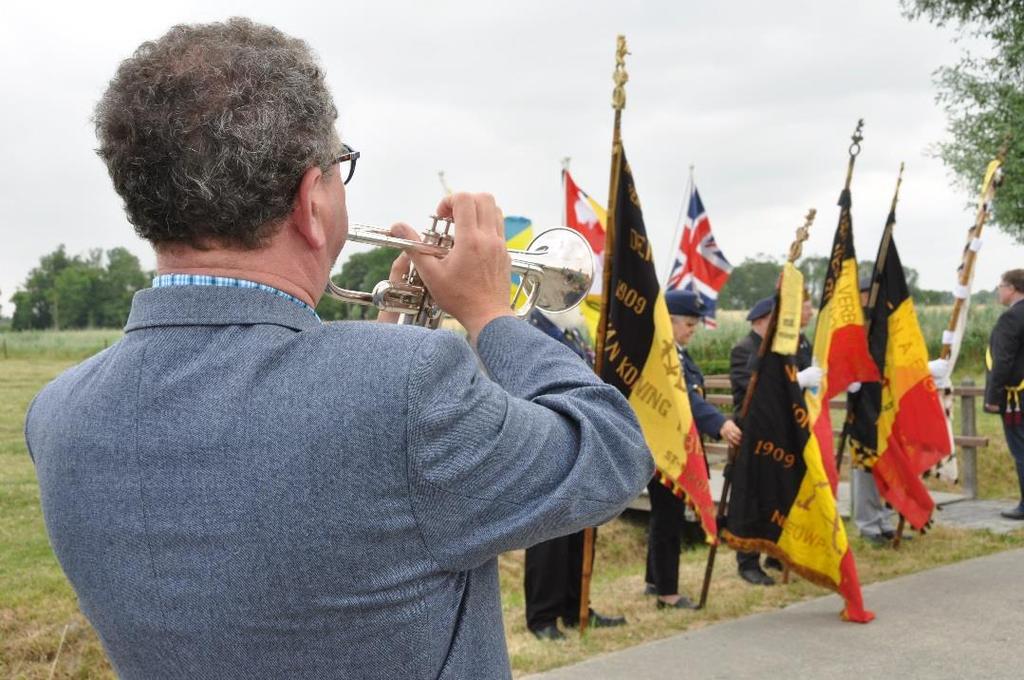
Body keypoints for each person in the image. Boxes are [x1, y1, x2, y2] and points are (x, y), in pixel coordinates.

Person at [24, 19, 654, 680]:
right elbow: (610, 452)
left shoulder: (57, 415)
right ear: (311, 203)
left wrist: (385, 341)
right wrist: (491, 312)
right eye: (339, 168)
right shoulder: (407, 387)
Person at [521, 311, 626, 640]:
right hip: (547, 441)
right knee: (549, 537)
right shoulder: (531, 332)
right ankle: (543, 617)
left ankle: (575, 606)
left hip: (580, 442)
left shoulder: (572, 334)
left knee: (579, 529)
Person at [644, 290, 742, 608]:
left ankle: (654, 579)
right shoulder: (662, 357)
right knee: (668, 519)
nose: (693, 329)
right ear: (668, 321)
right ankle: (668, 594)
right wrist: (719, 423)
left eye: (695, 324)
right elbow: (685, 398)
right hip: (665, 449)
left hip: (679, 447)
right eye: (688, 323)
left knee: (665, 516)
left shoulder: (680, 355)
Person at [984, 269, 1024, 520]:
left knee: (1020, 449)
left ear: (1012, 288)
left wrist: (993, 398)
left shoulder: (1011, 318)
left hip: (1016, 398)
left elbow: (1003, 361)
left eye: (1000, 285)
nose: (999, 290)